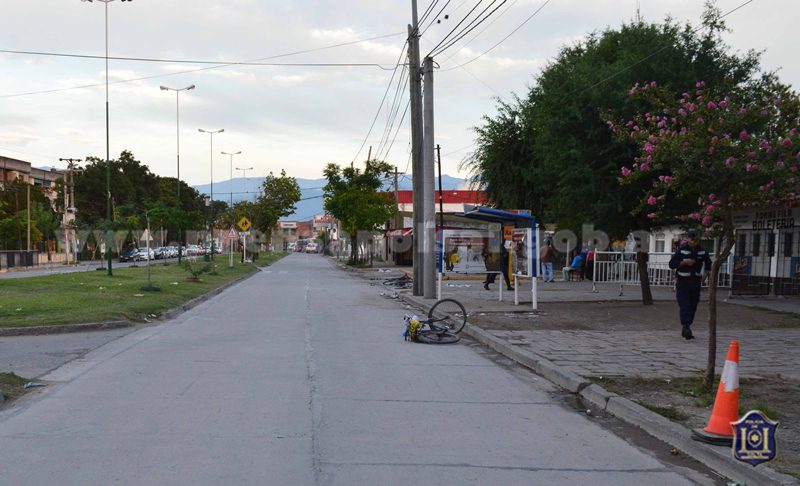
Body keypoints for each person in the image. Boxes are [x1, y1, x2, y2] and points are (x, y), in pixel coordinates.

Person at [668, 228, 711, 340]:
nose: (693, 241)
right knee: (684, 304)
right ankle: (686, 326)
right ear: (688, 239)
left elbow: (709, 266)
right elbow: (672, 264)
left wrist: (704, 278)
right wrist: (684, 262)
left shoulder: (702, 251)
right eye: (691, 238)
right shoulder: (682, 251)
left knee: (693, 305)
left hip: (696, 283)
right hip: (683, 282)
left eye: (695, 238)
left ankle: (687, 325)